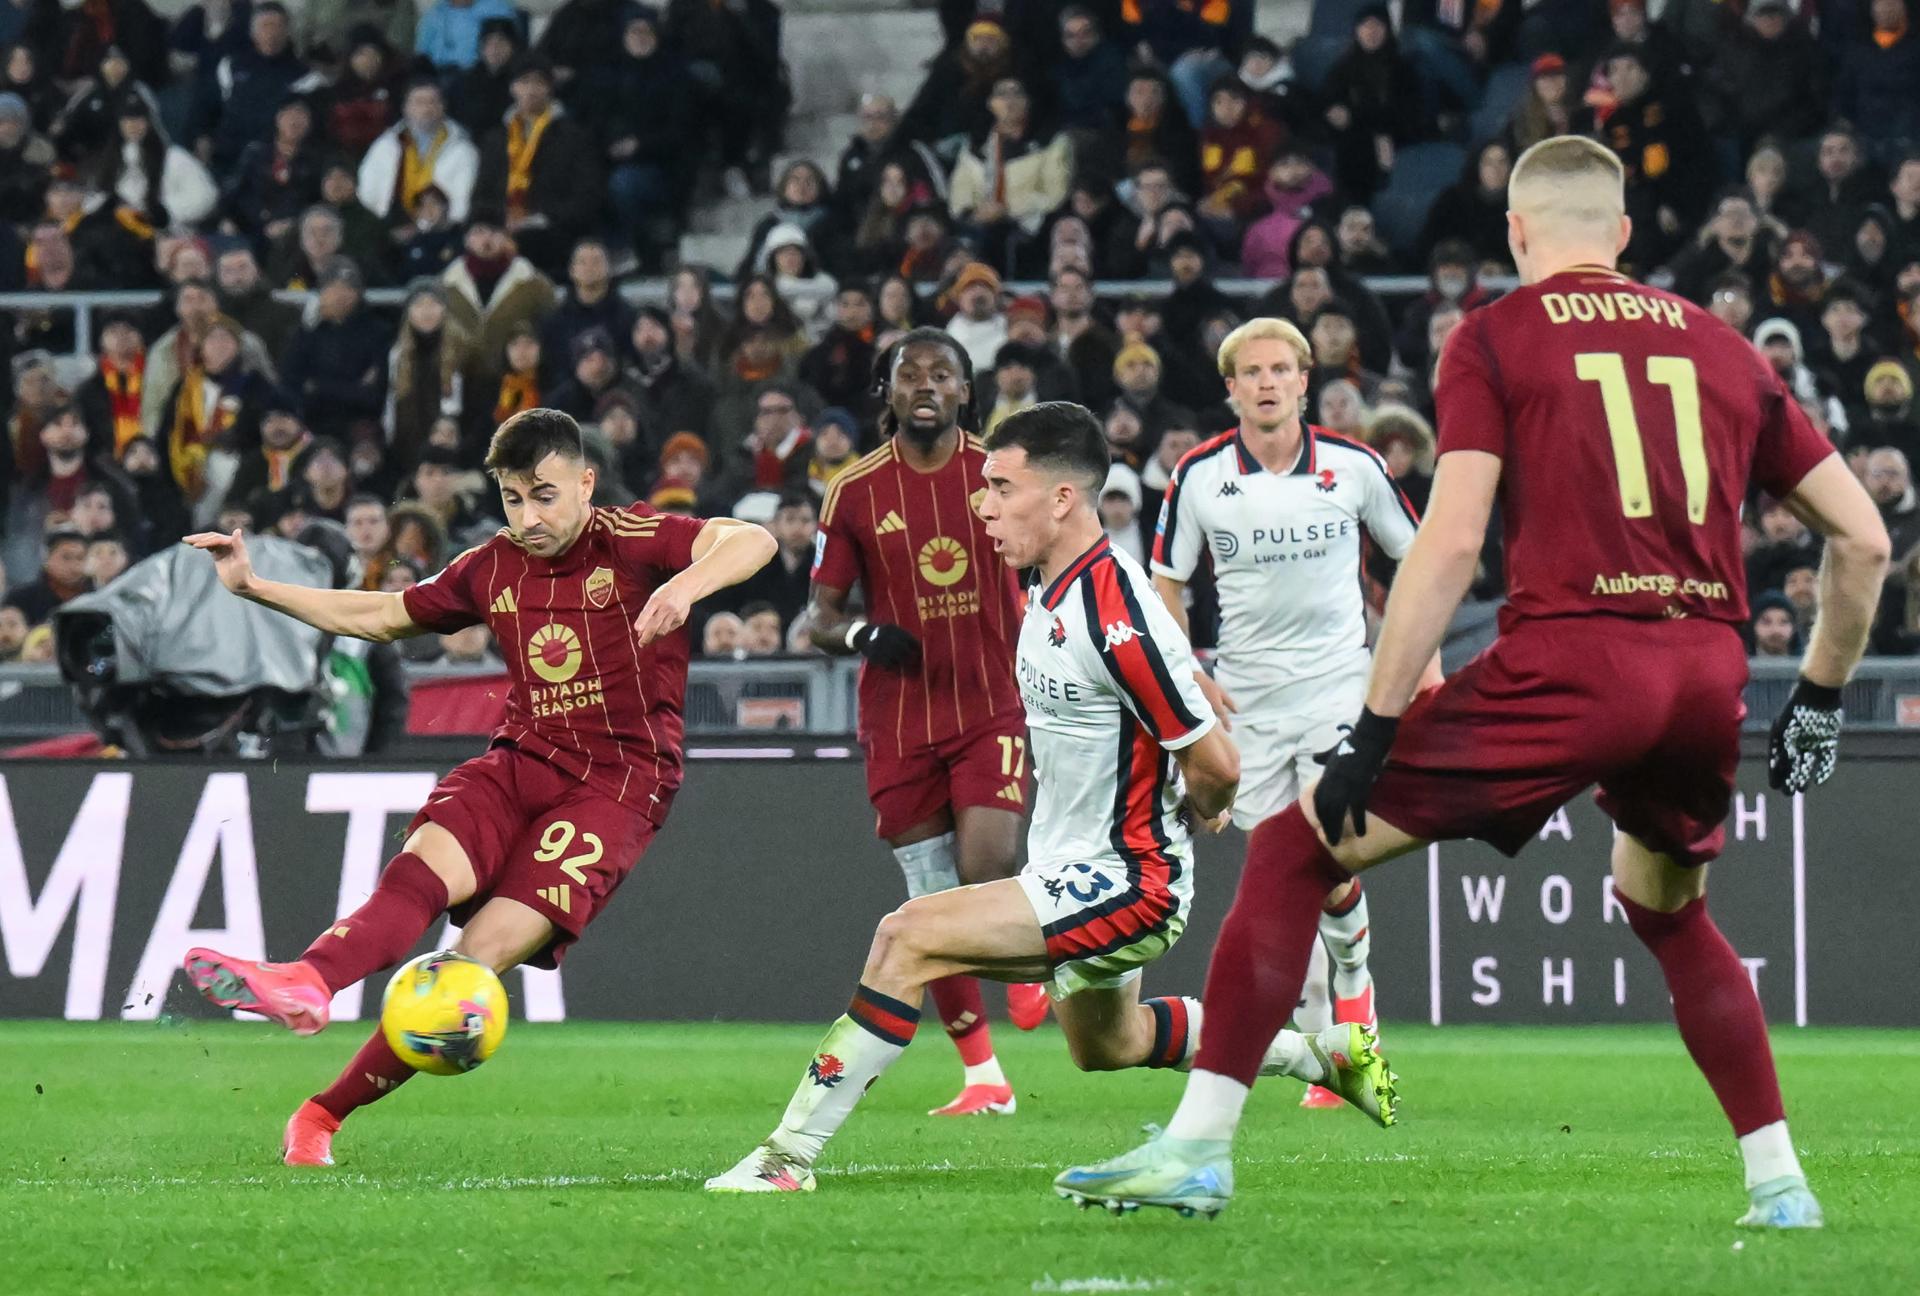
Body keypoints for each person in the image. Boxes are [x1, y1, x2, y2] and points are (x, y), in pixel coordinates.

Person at [1057, 135, 1892, 1229]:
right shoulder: (1723, 346)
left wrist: (1374, 726)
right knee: (1668, 911)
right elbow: (1866, 540)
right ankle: (1782, 1189)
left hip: (1571, 661)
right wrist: (1820, 699)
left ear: (1516, 232)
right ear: (1626, 235)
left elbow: (1448, 545)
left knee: (1294, 847)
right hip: (1703, 670)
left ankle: (1199, 1150)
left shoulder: (1498, 336)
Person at [705, 401, 1394, 1194]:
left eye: (1001, 487)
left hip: (1124, 879)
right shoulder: (1050, 589)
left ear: (1063, 499)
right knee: (1111, 1044)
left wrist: (1200, 804)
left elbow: (1219, 760)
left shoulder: (1113, 610)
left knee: (908, 936)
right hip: (1076, 864)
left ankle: (786, 1158)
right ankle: (1322, 1054)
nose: (982, 504)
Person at [179, 407, 778, 1166]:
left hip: (618, 785)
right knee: (424, 865)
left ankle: (322, 1116)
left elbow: (750, 538)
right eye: (512, 498)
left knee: (469, 966)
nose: (528, 517)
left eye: (545, 495)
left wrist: (688, 584)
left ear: (585, 483)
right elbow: (383, 615)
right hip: (521, 758)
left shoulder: (633, 541)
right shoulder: (491, 566)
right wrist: (256, 588)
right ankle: (307, 980)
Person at [1149, 317, 1429, 1110]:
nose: (1268, 383)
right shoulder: (1200, 476)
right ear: (1230, 387)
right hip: (1246, 700)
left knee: (1329, 847)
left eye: (1282, 369)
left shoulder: (1356, 468)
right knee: (1284, 864)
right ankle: (1328, 1038)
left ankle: (1353, 999)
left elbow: (1417, 558)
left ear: (1306, 382)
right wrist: (1190, 675)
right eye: (1252, 372)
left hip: (1340, 688)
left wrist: (1418, 671)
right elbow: (1165, 581)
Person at [796, 329, 1044, 1118]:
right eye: (911, 376)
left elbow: (1057, 560)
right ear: (889, 393)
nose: (927, 386)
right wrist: (864, 635)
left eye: (944, 374)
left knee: (988, 867)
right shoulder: (855, 491)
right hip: (899, 720)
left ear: (968, 392)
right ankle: (984, 1078)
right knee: (931, 907)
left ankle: (1038, 969)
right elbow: (820, 616)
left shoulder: (1003, 473)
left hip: (990, 703)